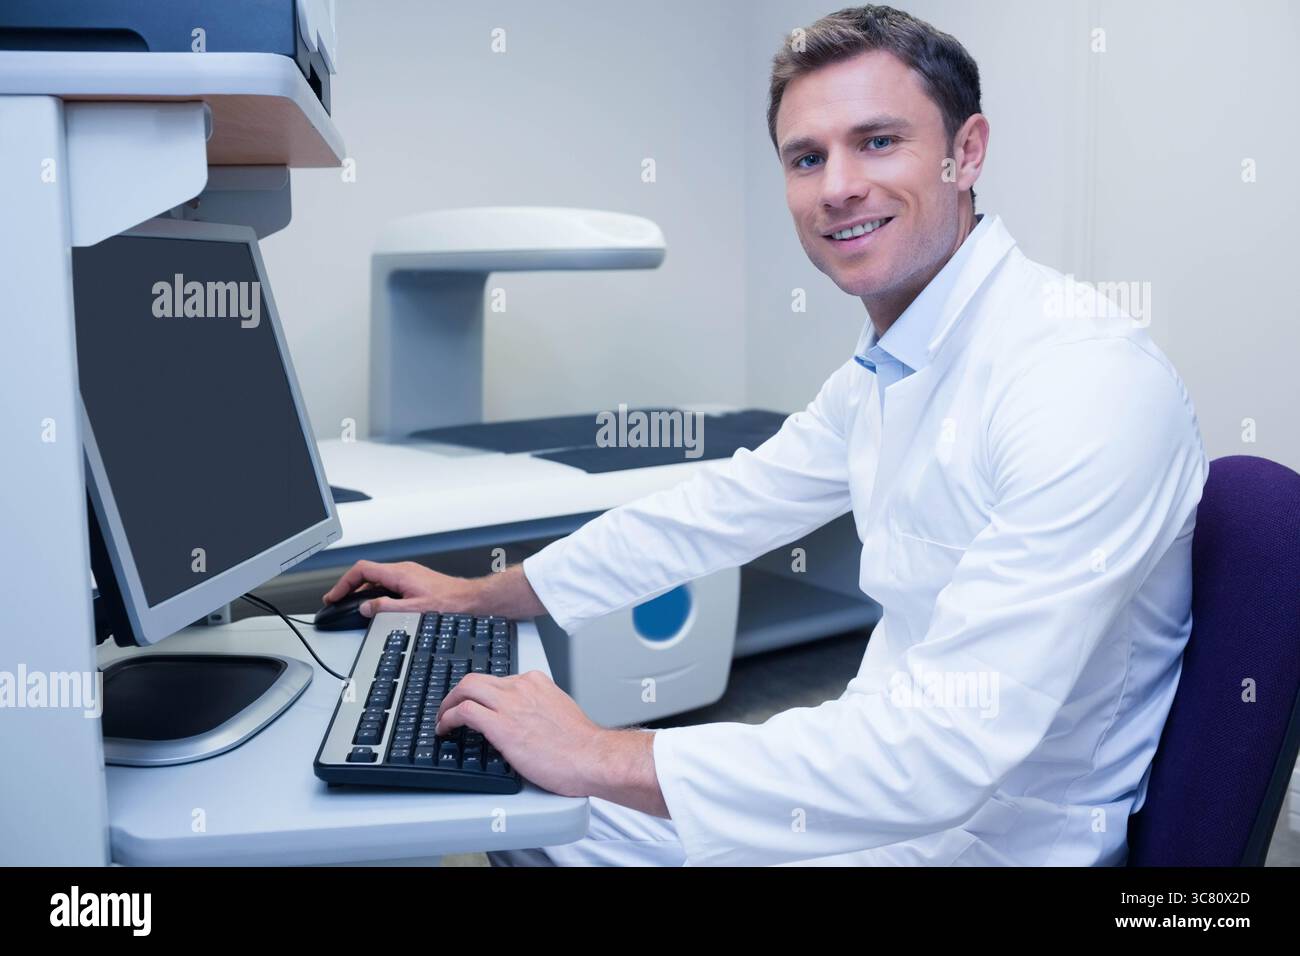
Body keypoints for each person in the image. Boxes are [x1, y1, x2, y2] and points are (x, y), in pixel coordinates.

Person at [323, 4, 1207, 865]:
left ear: (965, 153)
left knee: (542, 795)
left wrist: (603, 752)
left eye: (879, 141)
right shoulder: (896, 359)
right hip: (876, 789)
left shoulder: (1083, 383)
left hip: (988, 834)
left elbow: (940, 751)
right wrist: (479, 597)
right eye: (806, 157)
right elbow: (720, 509)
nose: (837, 187)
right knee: (507, 801)